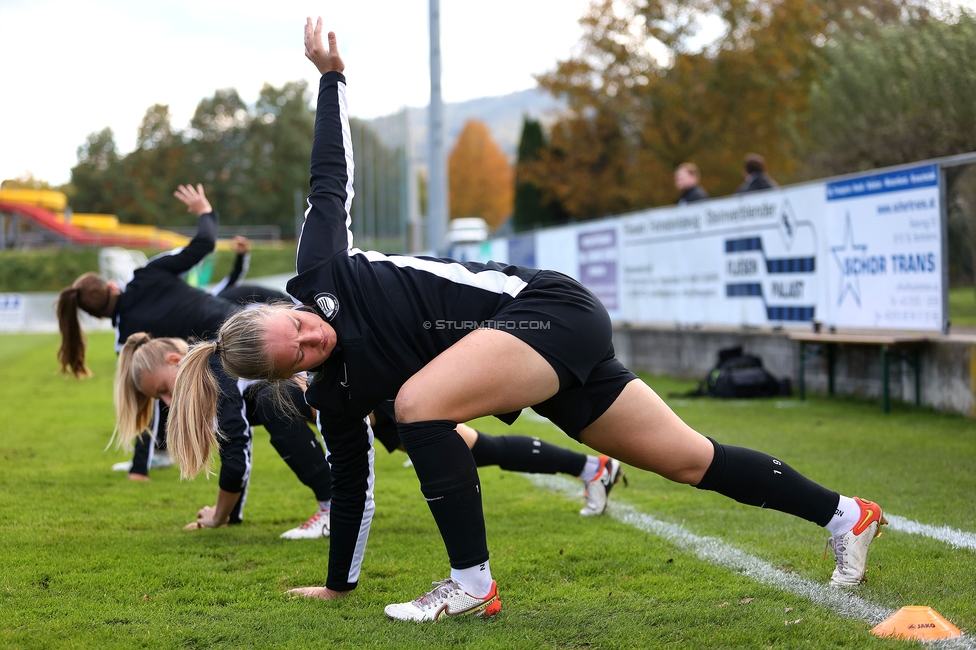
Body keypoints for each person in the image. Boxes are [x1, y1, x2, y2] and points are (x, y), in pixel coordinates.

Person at [169, 21, 886, 622]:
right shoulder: (334, 397)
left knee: (419, 407)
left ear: (284, 307)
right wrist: (337, 584)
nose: (309, 338)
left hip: (548, 311)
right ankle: (845, 516)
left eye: (296, 326)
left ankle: (473, 586)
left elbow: (331, 176)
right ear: (293, 377)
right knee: (689, 459)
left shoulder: (321, 270)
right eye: (297, 355)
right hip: (542, 362)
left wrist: (331, 79)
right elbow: (351, 490)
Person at [56, 184, 290, 480]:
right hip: (248, 325)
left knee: (172, 389)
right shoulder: (148, 273)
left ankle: (163, 462)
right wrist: (204, 211)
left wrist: (138, 469)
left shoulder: (129, 338)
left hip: (224, 360)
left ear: (93, 314)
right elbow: (204, 243)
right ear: (112, 285)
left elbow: (147, 402)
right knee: (299, 395)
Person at [114, 332, 333, 538]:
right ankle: (335, 503)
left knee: (271, 401)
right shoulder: (208, 369)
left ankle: (333, 506)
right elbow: (237, 449)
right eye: (159, 397)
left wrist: (218, 516)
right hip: (328, 393)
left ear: (174, 360)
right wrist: (229, 515)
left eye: (164, 389)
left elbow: (236, 457)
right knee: (267, 400)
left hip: (337, 386)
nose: (168, 402)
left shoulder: (213, 371)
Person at [366, 402, 626, 517]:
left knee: (477, 448)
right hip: (371, 388)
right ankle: (593, 468)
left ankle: (594, 467)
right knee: (477, 450)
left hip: (377, 389)